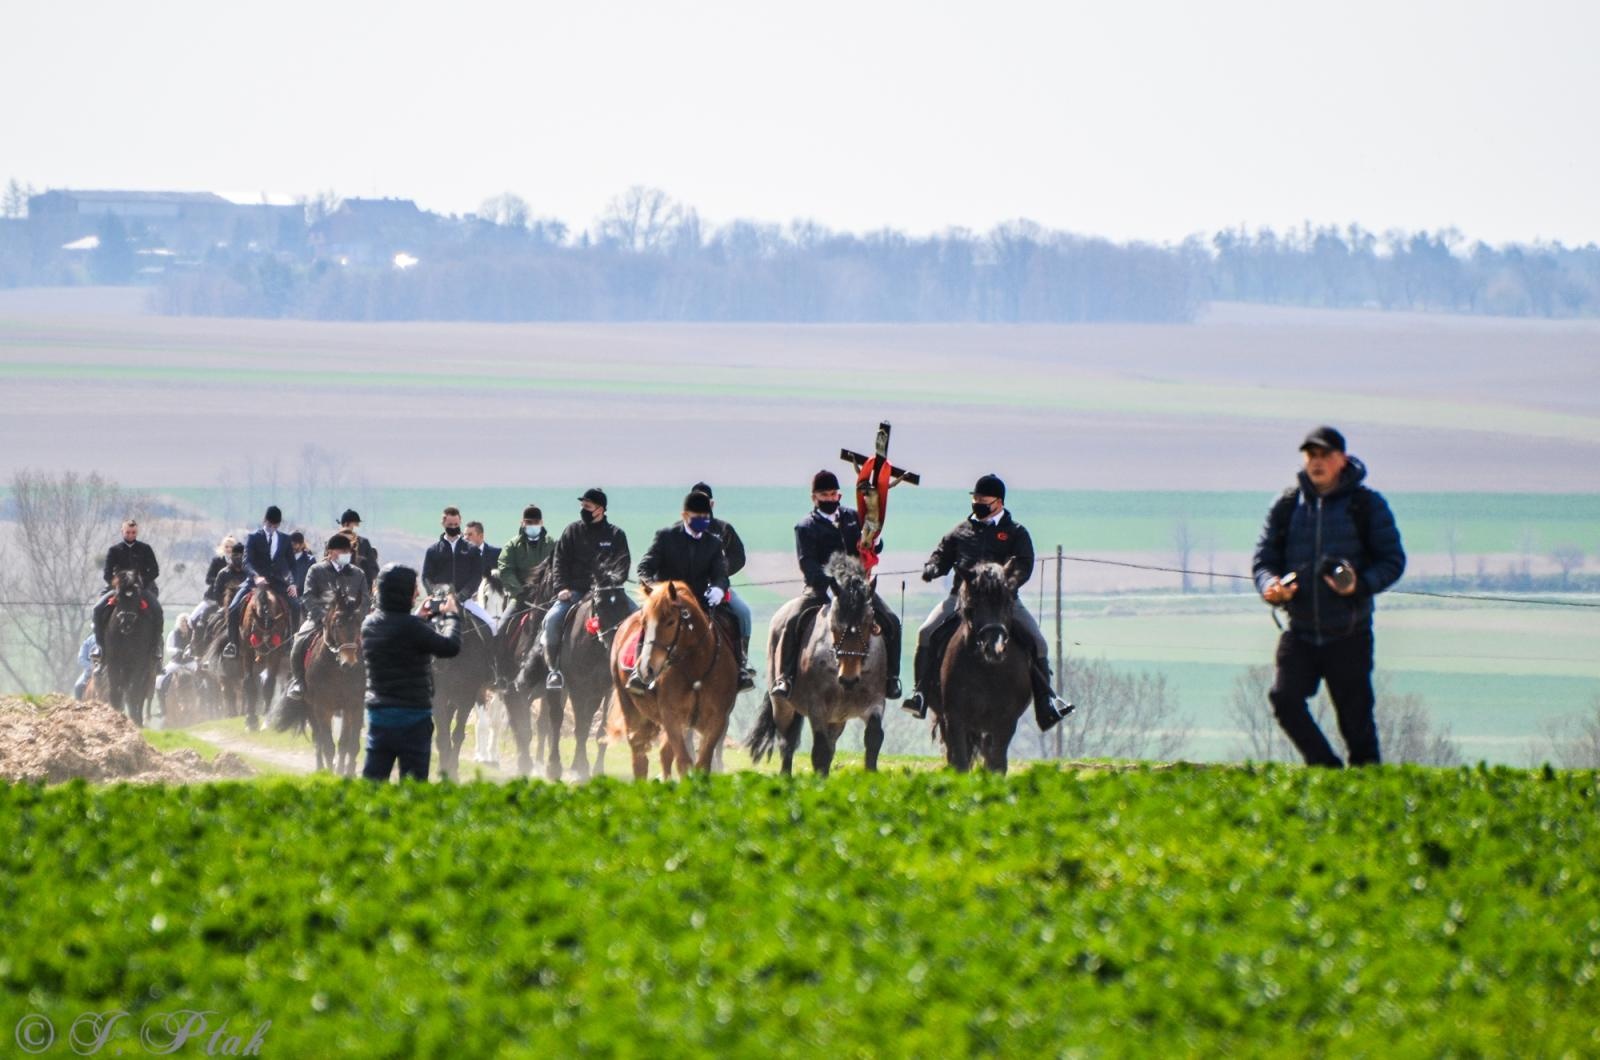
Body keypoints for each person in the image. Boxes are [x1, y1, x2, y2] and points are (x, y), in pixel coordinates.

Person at [1252, 426, 1406, 767]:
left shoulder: (1367, 505)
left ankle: (1368, 787)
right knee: (1284, 700)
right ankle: (1327, 772)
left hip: (1349, 633)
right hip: (1300, 630)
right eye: (1311, 455)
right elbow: (1264, 561)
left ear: (1343, 459)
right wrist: (1271, 587)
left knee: (1356, 725)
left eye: (1325, 455)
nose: (1317, 462)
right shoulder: (1286, 506)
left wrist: (1358, 585)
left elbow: (1393, 561)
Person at [903, 474, 1071, 731]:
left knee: (1038, 642)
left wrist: (1008, 585)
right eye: (975, 499)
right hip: (962, 599)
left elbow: (1024, 564)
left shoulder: (1015, 532)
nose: (978, 504)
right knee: (926, 632)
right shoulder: (960, 531)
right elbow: (941, 555)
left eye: (983, 500)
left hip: (1002, 602)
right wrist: (932, 567)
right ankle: (920, 695)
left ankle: (1047, 703)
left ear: (999, 502)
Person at [770, 470, 902, 701]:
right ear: (814, 497)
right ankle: (785, 677)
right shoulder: (805, 527)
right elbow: (808, 563)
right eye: (825, 495)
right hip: (820, 589)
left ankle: (892, 678)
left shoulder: (853, 517)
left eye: (833, 494)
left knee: (891, 621)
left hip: (857, 589)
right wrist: (830, 584)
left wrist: (876, 538)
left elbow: (871, 547)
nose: (830, 499)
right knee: (792, 622)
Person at [360, 564, 461, 782]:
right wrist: (452, 616)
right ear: (403, 592)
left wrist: (418, 617)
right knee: (413, 788)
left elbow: (397, 630)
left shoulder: (368, 625)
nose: (417, 594)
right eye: (414, 589)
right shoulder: (414, 628)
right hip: (414, 718)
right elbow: (450, 647)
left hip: (379, 716)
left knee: (372, 785)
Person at [632, 491, 740, 691]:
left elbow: (720, 574)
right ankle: (638, 670)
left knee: (732, 618)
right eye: (697, 517)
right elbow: (644, 568)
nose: (702, 521)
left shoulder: (714, 543)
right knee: (650, 624)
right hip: (667, 603)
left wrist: (718, 588)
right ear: (684, 515)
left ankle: (739, 669)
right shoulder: (665, 537)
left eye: (705, 517)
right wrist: (655, 591)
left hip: (700, 601)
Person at [542, 488, 634, 690]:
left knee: (639, 617)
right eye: (582, 505)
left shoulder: (616, 535)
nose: (583, 509)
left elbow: (623, 565)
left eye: (587, 506)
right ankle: (554, 670)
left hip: (609, 594)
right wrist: (561, 587)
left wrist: (610, 583)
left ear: (600, 509)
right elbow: (559, 562)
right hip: (575, 591)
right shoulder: (571, 531)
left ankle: (634, 669)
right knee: (551, 619)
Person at [282, 534, 373, 705]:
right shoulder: (316, 570)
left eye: (347, 551)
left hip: (350, 621)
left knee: (372, 644)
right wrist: (323, 617)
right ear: (330, 552)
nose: (345, 554)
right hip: (319, 619)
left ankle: (370, 683)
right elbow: (308, 596)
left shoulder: (357, 573)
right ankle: (299, 681)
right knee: (299, 641)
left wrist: (357, 617)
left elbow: (366, 600)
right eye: (341, 551)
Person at [690, 482, 755, 689]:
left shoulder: (724, 529)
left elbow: (739, 557)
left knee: (743, 612)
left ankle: (742, 663)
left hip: (718, 588)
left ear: (712, 503)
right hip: (689, 590)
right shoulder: (678, 530)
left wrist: (720, 572)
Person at [223, 506, 298, 659]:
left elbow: (292, 565)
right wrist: (256, 577)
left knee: (296, 606)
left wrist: (292, 583)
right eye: (270, 524)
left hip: (277, 582)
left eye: (275, 525)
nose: (272, 527)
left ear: (279, 524)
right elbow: (247, 562)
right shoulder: (253, 537)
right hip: (254, 582)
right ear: (265, 521)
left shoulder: (285, 539)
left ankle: (292, 642)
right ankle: (232, 644)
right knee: (233, 607)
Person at [92, 518, 164, 664]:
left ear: (136, 532)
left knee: (157, 610)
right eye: (128, 532)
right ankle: (99, 647)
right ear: (122, 532)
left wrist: (141, 583)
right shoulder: (114, 550)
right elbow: (107, 573)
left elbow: (155, 570)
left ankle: (156, 646)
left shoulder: (145, 549)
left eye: (133, 532)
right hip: (119, 589)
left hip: (142, 588)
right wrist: (117, 584)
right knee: (97, 609)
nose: (131, 535)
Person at [422, 506, 495, 631]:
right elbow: (426, 577)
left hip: (465, 601)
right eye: (450, 525)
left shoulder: (472, 550)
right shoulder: (433, 551)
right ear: (443, 524)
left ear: (460, 522)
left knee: (492, 626)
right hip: (438, 602)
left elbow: (476, 576)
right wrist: (435, 594)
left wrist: (462, 595)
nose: (453, 527)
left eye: (456, 524)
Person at [338, 509, 381, 587]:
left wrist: (365, 580)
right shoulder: (333, 542)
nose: (358, 526)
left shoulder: (363, 543)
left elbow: (374, 568)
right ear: (346, 524)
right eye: (355, 524)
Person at [289, 531, 315, 597]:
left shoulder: (310, 560)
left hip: (303, 595)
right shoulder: (284, 558)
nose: (292, 547)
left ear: (301, 545)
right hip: (285, 592)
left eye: (295, 544)